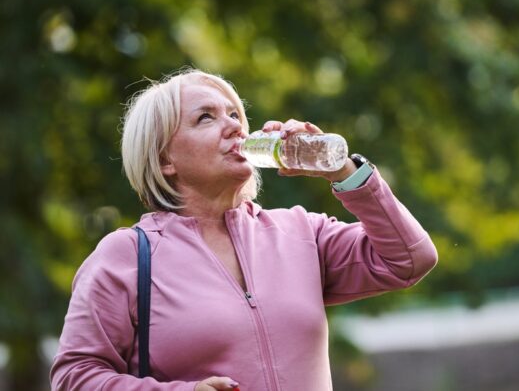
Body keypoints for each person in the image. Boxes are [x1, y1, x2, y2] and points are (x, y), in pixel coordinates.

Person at [50, 68, 438, 391]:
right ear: (165, 158)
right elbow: (74, 378)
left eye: (235, 115)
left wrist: (342, 170)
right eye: (207, 117)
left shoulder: (302, 232)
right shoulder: (127, 257)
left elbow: (410, 258)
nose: (234, 128)